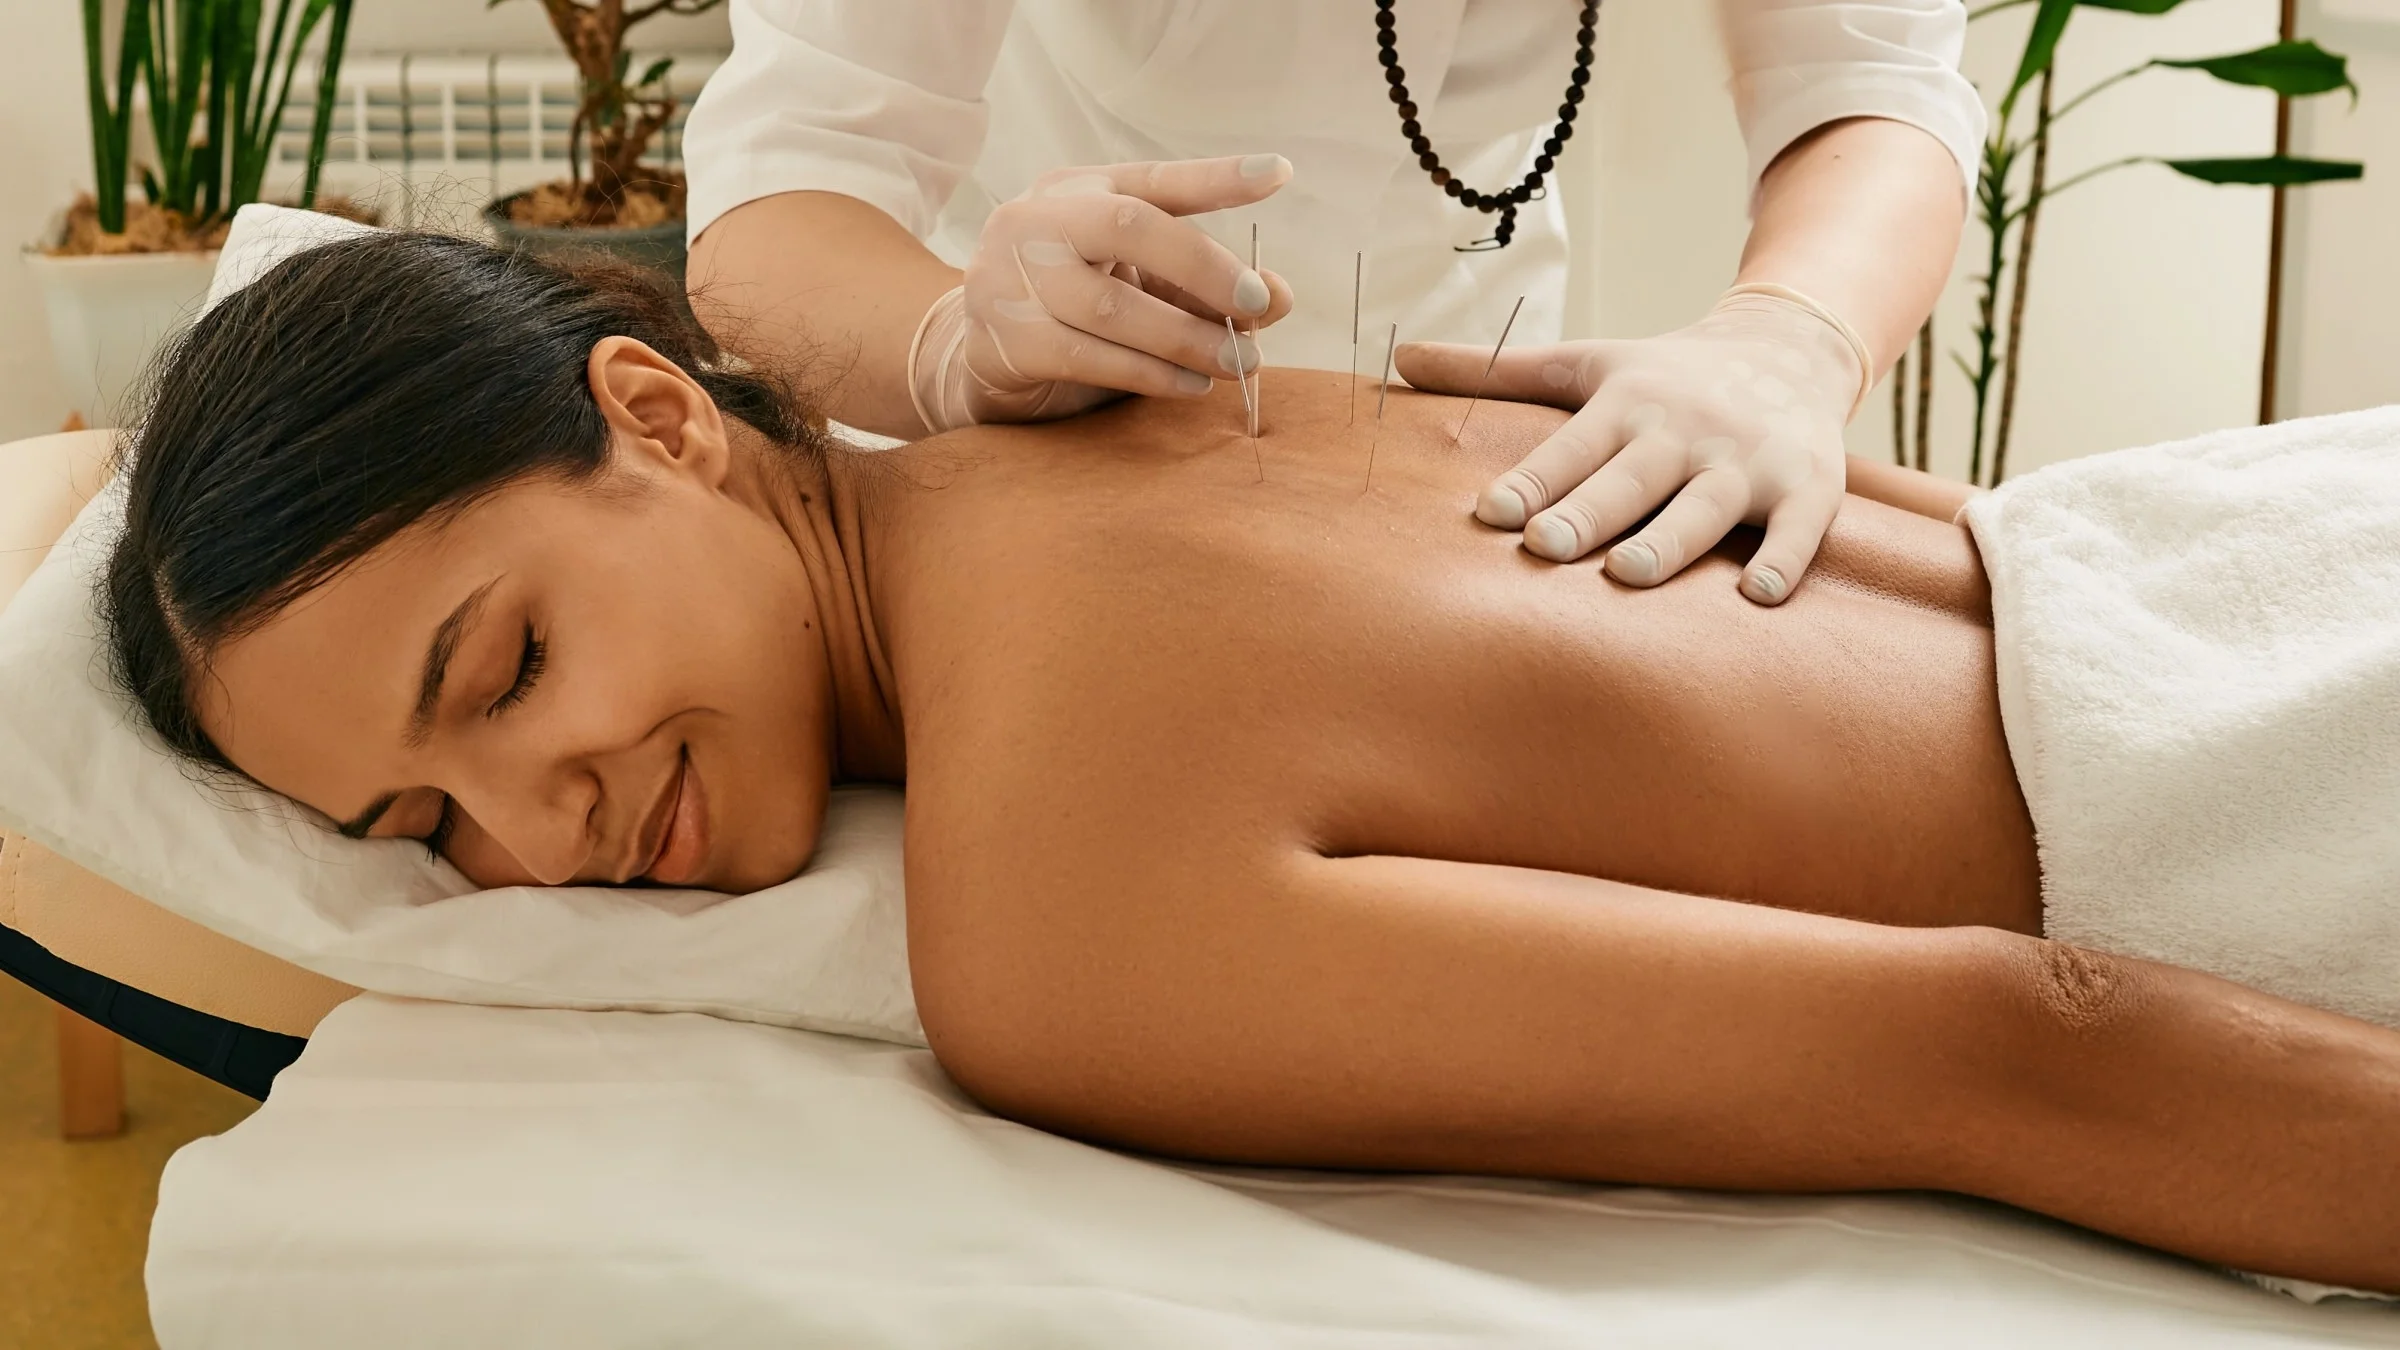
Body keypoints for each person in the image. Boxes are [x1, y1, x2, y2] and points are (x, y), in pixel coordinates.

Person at [105, 235, 2400, 1295]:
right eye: (420, 828)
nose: (543, 828)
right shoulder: (1154, 406)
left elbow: (2019, 1040)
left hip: (2291, 772)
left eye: (507, 671)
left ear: (657, 415)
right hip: (2258, 533)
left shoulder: (1064, 918)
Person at [681, 0, 1983, 604]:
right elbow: (780, 193)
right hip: (1055, 470)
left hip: (1471, 469)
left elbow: (1870, 79)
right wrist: (950, 345)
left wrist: (1792, 335)